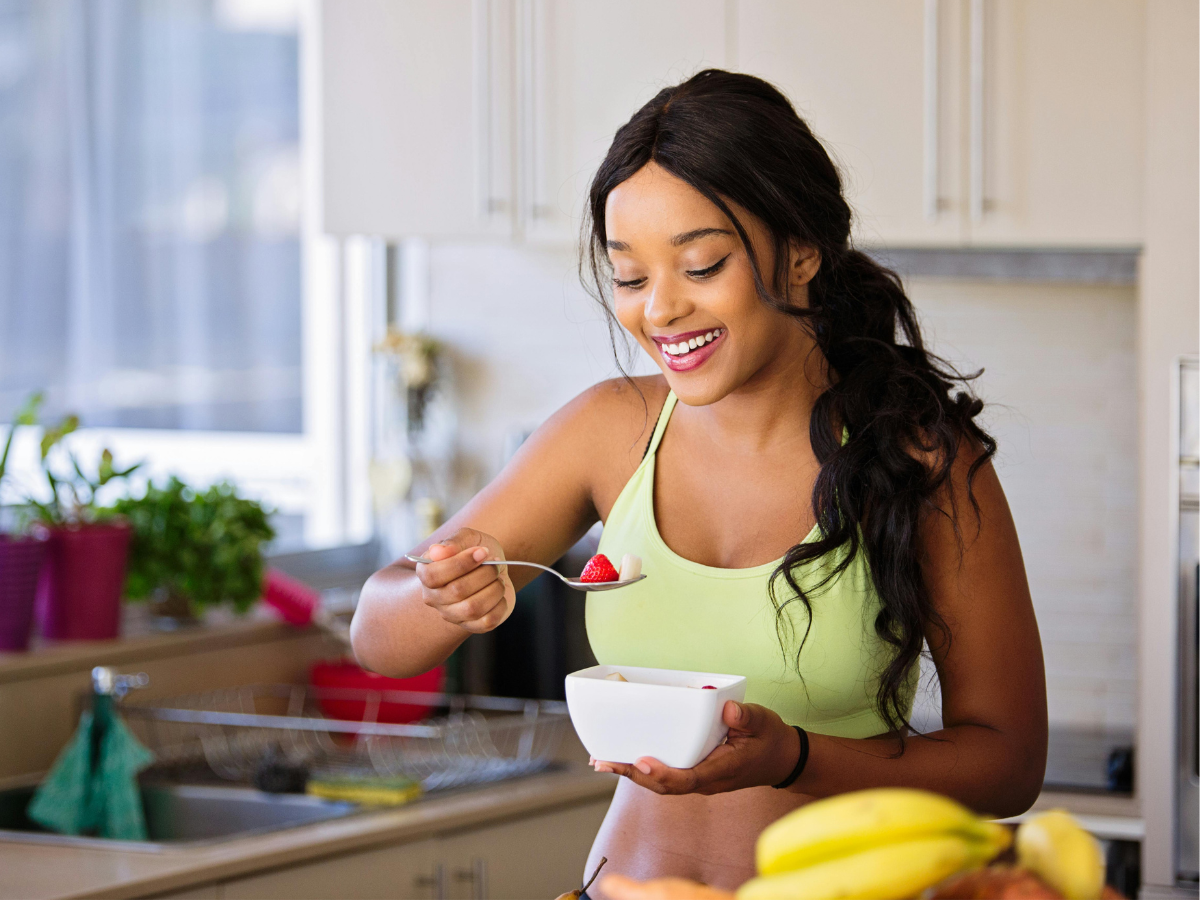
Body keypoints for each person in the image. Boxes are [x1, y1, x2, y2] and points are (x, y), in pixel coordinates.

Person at [350, 69, 1047, 894]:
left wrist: (794, 758)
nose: (661, 311)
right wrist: (438, 597)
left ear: (800, 254)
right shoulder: (609, 431)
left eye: (702, 265)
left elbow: (1008, 762)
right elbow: (376, 637)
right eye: (632, 278)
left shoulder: (920, 459)